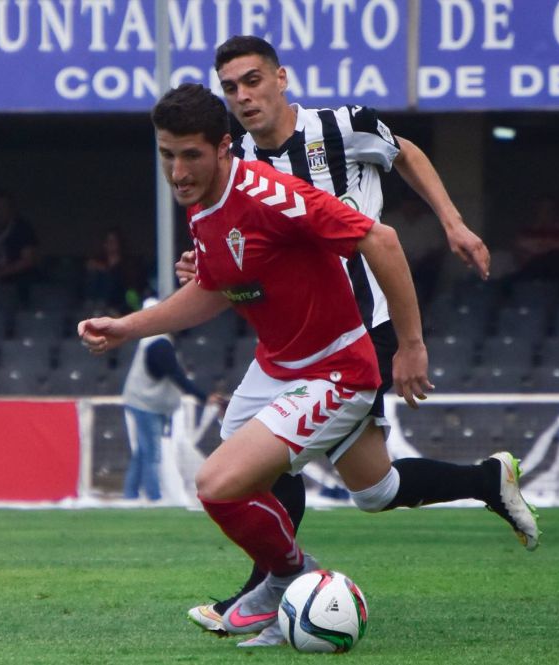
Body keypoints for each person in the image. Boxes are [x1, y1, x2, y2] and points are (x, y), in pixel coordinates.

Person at [79, 84, 539, 647]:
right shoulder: (204, 210)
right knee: (371, 489)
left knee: (220, 484)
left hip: (336, 369)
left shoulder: (273, 193)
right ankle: (485, 480)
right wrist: (129, 327)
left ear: (225, 148)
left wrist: (412, 344)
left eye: (190, 155)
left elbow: (383, 240)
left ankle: (291, 581)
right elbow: (215, 290)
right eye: (167, 155)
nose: (177, 171)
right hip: (277, 366)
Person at [172, 36, 493, 646]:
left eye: (252, 80)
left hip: (361, 327)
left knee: (296, 467)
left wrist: (453, 222)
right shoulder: (232, 156)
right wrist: (205, 262)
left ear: (281, 78)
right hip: (300, 329)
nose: (243, 96)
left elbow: (407, 154)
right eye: (231, 87)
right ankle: (485, 483)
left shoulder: (344, 126)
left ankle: (270, 588)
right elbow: (234, 232)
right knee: (369, 487)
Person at [122, 297, 213, 501]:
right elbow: (176, 376)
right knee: (152, 453)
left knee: (143, 452)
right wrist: (204, 397)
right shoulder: (159, 344)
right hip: (146, 403)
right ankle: (154, 499)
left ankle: (130, 495)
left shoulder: (154, 340)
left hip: (147, 401)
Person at [84, 227, 142, 314]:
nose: (110, 244)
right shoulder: (97, 263)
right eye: (108, 241)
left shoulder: (128, 265)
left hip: (119, 307)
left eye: (113, 241)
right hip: (98, 307)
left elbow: (130, 289)